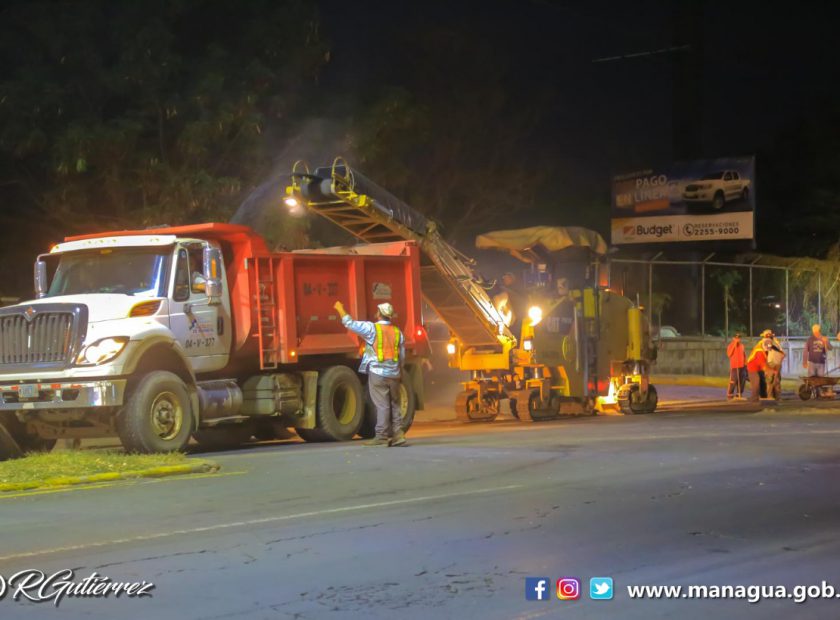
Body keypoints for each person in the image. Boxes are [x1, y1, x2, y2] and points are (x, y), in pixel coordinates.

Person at [334, 300, 406, 447]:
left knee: (382, 405)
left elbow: (350, 323)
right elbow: (402, 357)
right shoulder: (398, 332)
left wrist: (340, 309)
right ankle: (398, 435)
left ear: (379, 314)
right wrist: (399, 372)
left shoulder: (372, 329)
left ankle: (381, 437)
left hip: (377, 373)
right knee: (395, 403)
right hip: (394, 373)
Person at [726, 333, 747, 399]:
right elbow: (729, 354)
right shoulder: (730, 345)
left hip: (742, 366)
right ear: (733, 338)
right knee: (733, 381)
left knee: (742, 380)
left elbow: (744, 354)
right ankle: (730, 394)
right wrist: (734, 344)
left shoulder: (742, 345)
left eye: (739, 338)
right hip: (735, 366)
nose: (738, 339)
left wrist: (745, 362)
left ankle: (739, 394)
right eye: (736, 338)